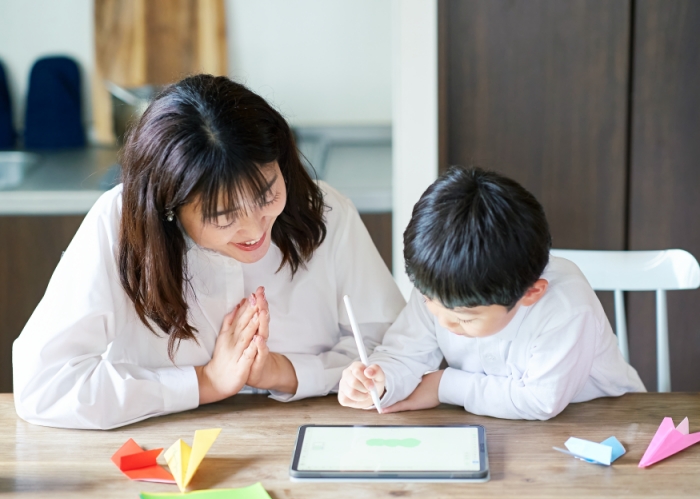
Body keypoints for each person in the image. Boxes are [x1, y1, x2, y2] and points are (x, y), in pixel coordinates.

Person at [13, 75, 405, 430]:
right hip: (160, 449)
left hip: (313, 436)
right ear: (170, 207)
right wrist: (204, 382)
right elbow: (44, 385)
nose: (254, 229)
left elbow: (396, 349)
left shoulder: (326, 212)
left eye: (267, 194)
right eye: (223, 215)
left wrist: (285, 373)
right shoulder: (117, 225)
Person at [338, 166, 645, 420]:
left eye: (464, 319)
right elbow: (404, 354)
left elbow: (540, 400)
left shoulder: (567, 308)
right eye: (429, 302)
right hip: (504, 428)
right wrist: (380, 380)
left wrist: (442, 385)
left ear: (530, 294)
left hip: (607, 424)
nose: (444, 323)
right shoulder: (441, 290)